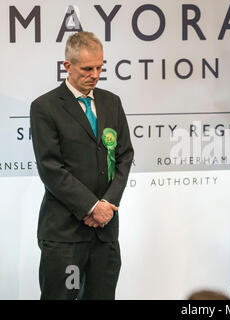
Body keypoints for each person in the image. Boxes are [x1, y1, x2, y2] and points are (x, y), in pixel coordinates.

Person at [30, 31, 134, 299]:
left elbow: (125, 156)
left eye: (100, 67)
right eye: (88, 68)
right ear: (68, 66)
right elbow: (51, 169)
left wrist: (107, 205)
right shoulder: (45, 107)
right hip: (65, 236)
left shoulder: (112, 102)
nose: (95, 74)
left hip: (105, 234)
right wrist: (91, 207)